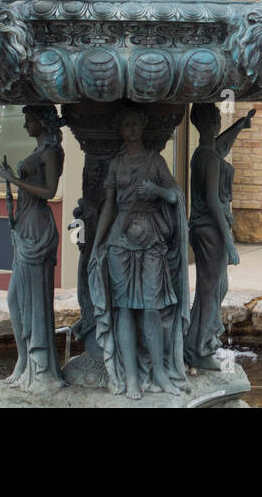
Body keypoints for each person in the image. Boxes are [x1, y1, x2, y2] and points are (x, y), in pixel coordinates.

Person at [88, 107, 189, 399]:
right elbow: (109, 205)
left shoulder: (155, 161)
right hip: (120, 241)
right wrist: (98, 242)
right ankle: (131, 377)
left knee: (151, 308)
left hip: (151, 240)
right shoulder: (116, 165)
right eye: (126, 124)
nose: (131, 129)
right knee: (124, 310)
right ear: (120, 129)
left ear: (143, 127)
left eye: (136, 124)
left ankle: (159, 372)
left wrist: (156, 191)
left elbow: (174, 195)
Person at [0, 106, 64, 391]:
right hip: (25, 226)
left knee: (32, 299)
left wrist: (14, 179)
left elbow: (50, 192)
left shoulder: (52, 152)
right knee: (16, 299)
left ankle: (40, 366)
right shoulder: (40, 149)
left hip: (38, 227)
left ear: (42, 121)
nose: (25, 124)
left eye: (29, 120)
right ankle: (23, 361)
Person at [185, 105, 254, 370]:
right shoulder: (209, 158)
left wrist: (238, 126)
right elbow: (213, 200)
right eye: (215, 121)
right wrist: (228, 240)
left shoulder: (202, 153)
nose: (217, 125)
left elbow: (221, 147)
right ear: (209, 125)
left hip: (204, 229)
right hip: (211, 230)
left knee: (216, 287)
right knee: (210, 289)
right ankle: (199, 348)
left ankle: (200, 342)